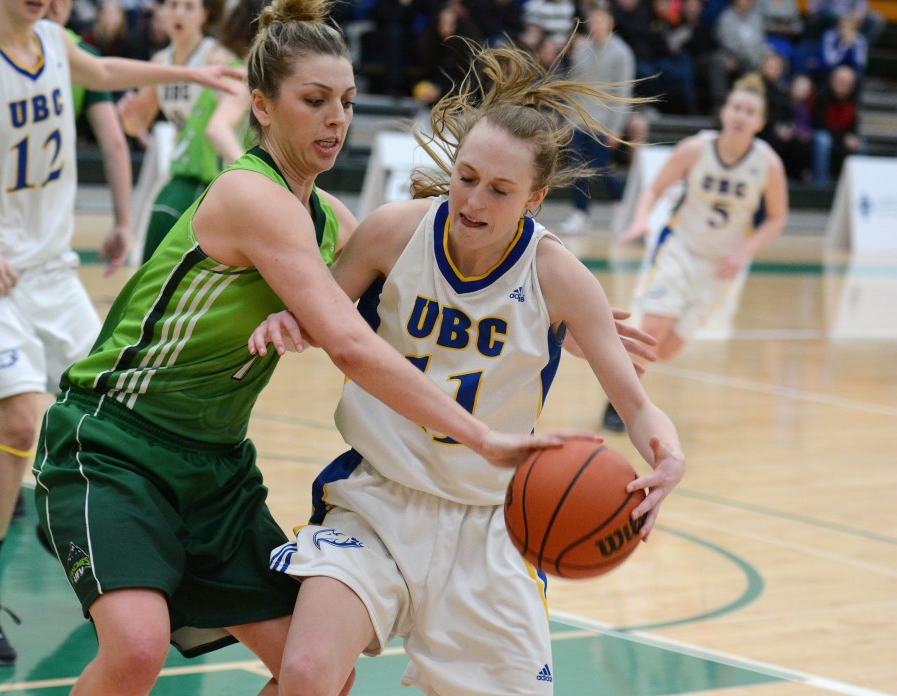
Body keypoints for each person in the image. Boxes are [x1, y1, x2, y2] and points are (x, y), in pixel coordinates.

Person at [31, 0, 566, 693]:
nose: (336, 118)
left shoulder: (327, 217)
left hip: (214, 470)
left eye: (345, 101)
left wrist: (569, 310)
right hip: (116, 443)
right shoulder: (250, 196)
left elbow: (437, 284)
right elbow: (348, 344)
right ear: (261, 106)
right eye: (314, 101)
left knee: (318, 671)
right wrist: (478, 435)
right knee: (137, 647)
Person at [248, 42, 686, 696]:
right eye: (466, 175)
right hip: (376, 501)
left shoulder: (560, 277)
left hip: (493, 525)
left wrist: (667, 454)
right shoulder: (394, 234)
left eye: (500, 189)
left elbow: (636, 404)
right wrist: (291, 322)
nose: (474, 199)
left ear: (534, 198)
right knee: (306, 672)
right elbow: (324, 315)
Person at [0, 0, 241, 666]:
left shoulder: (53, 39)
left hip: (52, 273)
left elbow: (99, 69)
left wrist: (191, 80)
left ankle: (131, 566)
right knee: (18, 427)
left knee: (120, 421)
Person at [0, 0, 139, 520]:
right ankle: (12, 478)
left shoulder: (65, 50)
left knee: (91, 408)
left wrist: (123, 220)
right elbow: (114, 139)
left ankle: (35, 486)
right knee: (21, 417)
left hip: (46, 254)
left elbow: (117, 139)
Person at [605, 72, 789, 431]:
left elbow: (777, 219)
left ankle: (624, 381)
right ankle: (618, 402)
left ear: (760, 122)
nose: (740, 115)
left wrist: (743, 253)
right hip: (679, 249)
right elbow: (654, 189)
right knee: (652, 327)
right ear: (724, 111)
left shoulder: (768, 164)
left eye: (749, 111)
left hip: (720, 266)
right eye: (736, 107)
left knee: (668, 349)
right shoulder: (696, 148)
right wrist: (642, 219)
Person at [135, 0, 256, 263]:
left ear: (205, 15)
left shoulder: (218, 58)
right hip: (185, 163)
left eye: (189, 7)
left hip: (217, 168)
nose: (179, 13)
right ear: (162, 12)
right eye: (173, 5)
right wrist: (125, 113)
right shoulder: (159, 61)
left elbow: (240, 103)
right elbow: (135, 125)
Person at [559, 2, 635, 236]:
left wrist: (616, 128)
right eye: (593, 21)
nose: (596, 25)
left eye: (600, 20)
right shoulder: (582, 49)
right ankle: (580, 214)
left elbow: (623, 93)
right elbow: (573, 86)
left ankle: (622, 205)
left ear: (610, 23)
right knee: (576, 167)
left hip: (604, 121)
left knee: (601, 168)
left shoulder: (622, 52)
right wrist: (567, 121)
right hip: (580, 119)